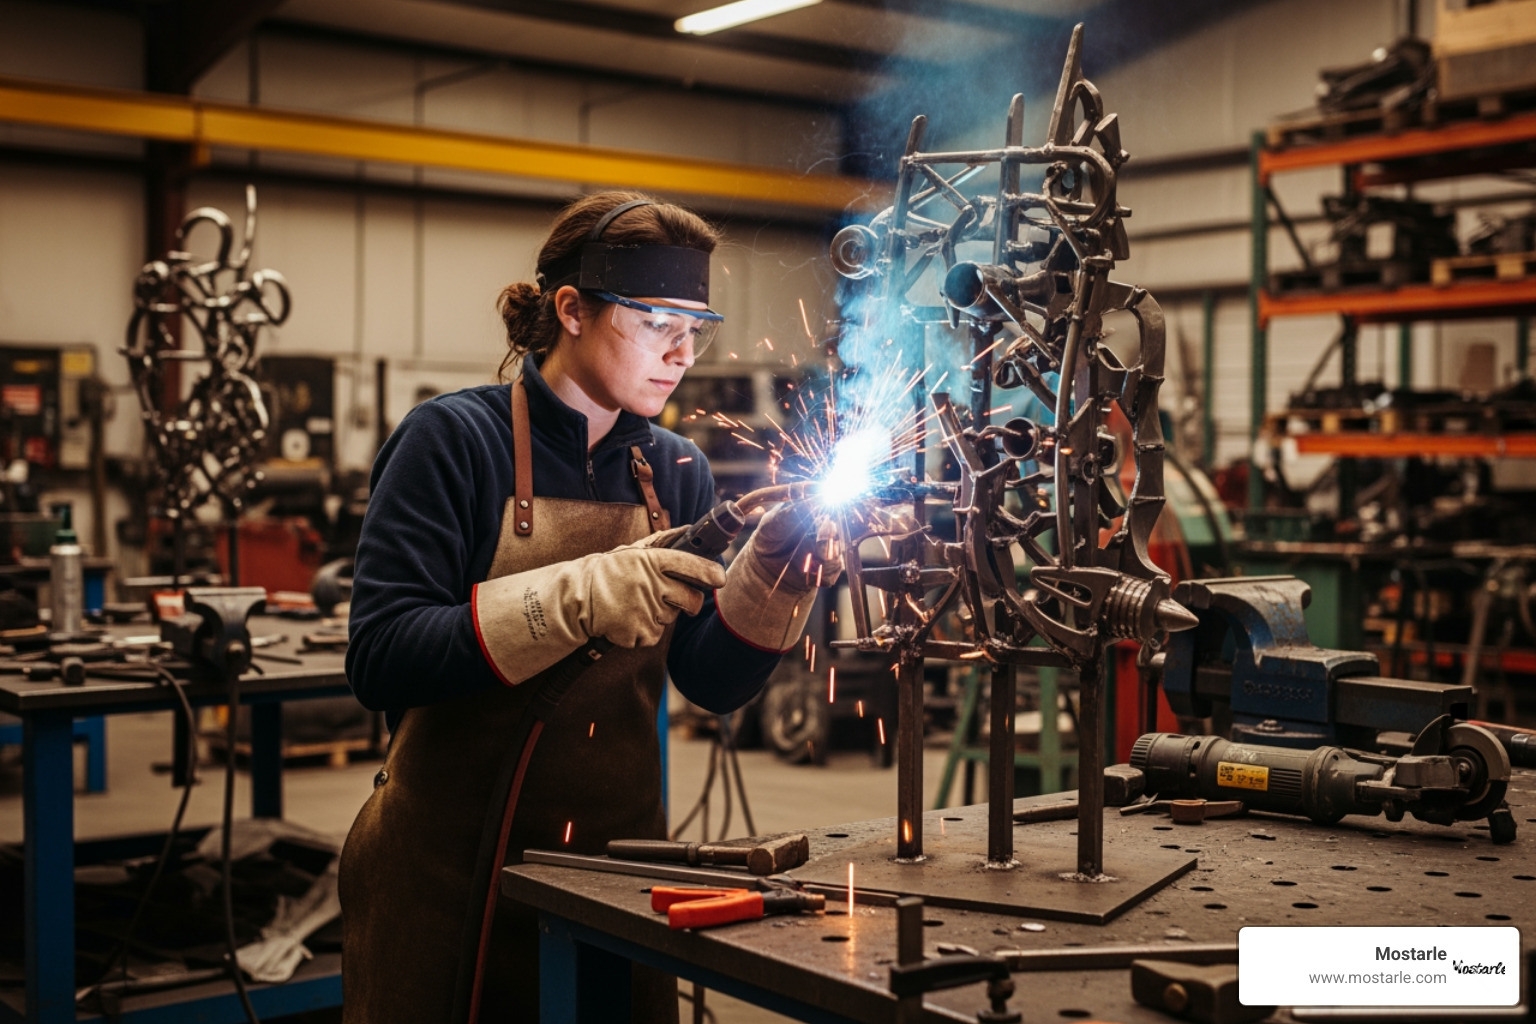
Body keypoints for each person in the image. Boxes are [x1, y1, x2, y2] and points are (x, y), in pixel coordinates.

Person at [338, 191, 838, 1023]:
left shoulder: (677, 471)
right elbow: (381, 655)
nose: (682, 354)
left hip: (616, 866)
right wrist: (579, 596)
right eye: (657, 323)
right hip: (446, 873)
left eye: (697, 329)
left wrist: (777, 578)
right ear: (571, 308)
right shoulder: (454, 440)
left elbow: (707, 682)